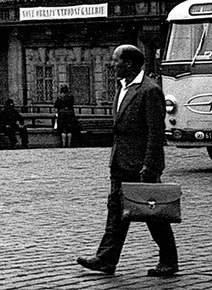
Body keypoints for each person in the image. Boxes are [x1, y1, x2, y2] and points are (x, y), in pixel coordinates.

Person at [78, 45, 179, 277]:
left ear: (129, 63)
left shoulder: (149, 90)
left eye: (116, 60)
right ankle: (106, 259)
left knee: (154, 214)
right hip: (120, 161)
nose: (112, 64)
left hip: (140, 165)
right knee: (115, 211)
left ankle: (169, 261)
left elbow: (156, 131)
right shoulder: (123, 87)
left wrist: (150, 165)